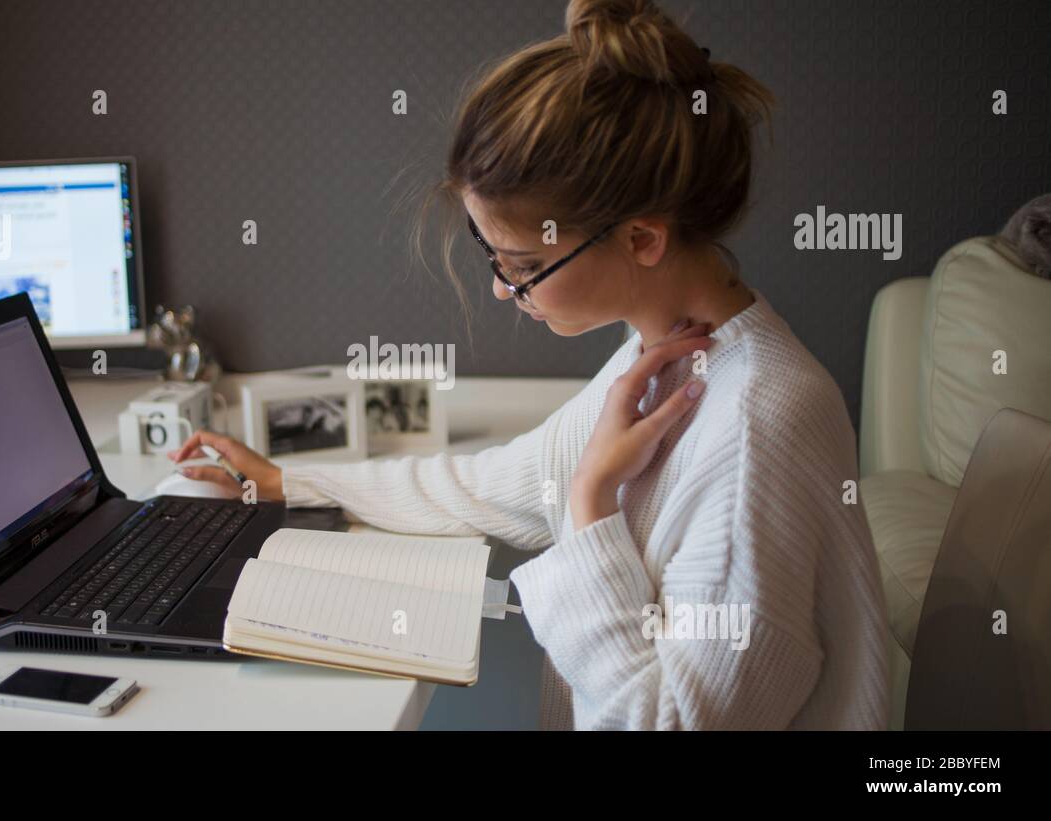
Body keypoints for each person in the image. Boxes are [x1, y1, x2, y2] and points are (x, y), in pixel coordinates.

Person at [170, 0, 889, 730]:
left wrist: (589, 506)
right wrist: (287, 481)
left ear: (641, 238)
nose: (500, 287)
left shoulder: (755, 427)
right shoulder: (664, 355)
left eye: (523, 265)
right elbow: (490, 483)